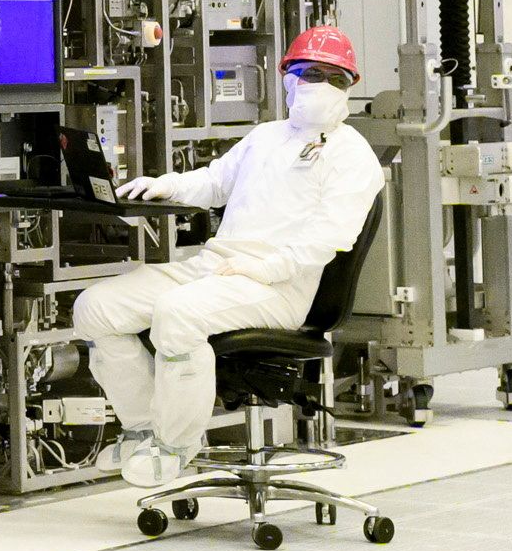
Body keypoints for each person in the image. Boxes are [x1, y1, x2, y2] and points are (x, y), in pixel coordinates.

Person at [81, 26, 387, 491]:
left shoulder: (353, 157)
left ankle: (175, 445)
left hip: (278, 287)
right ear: (287, 76)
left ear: (350, 86)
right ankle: (143, 429)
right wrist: (165, 185)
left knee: (178, 314)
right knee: (96, 308)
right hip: (216, 267)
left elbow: (329, 238)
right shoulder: (266, 137)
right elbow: (214, 181)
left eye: (336, 78)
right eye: (311, 73)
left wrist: (265, 268)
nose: (322, 85)